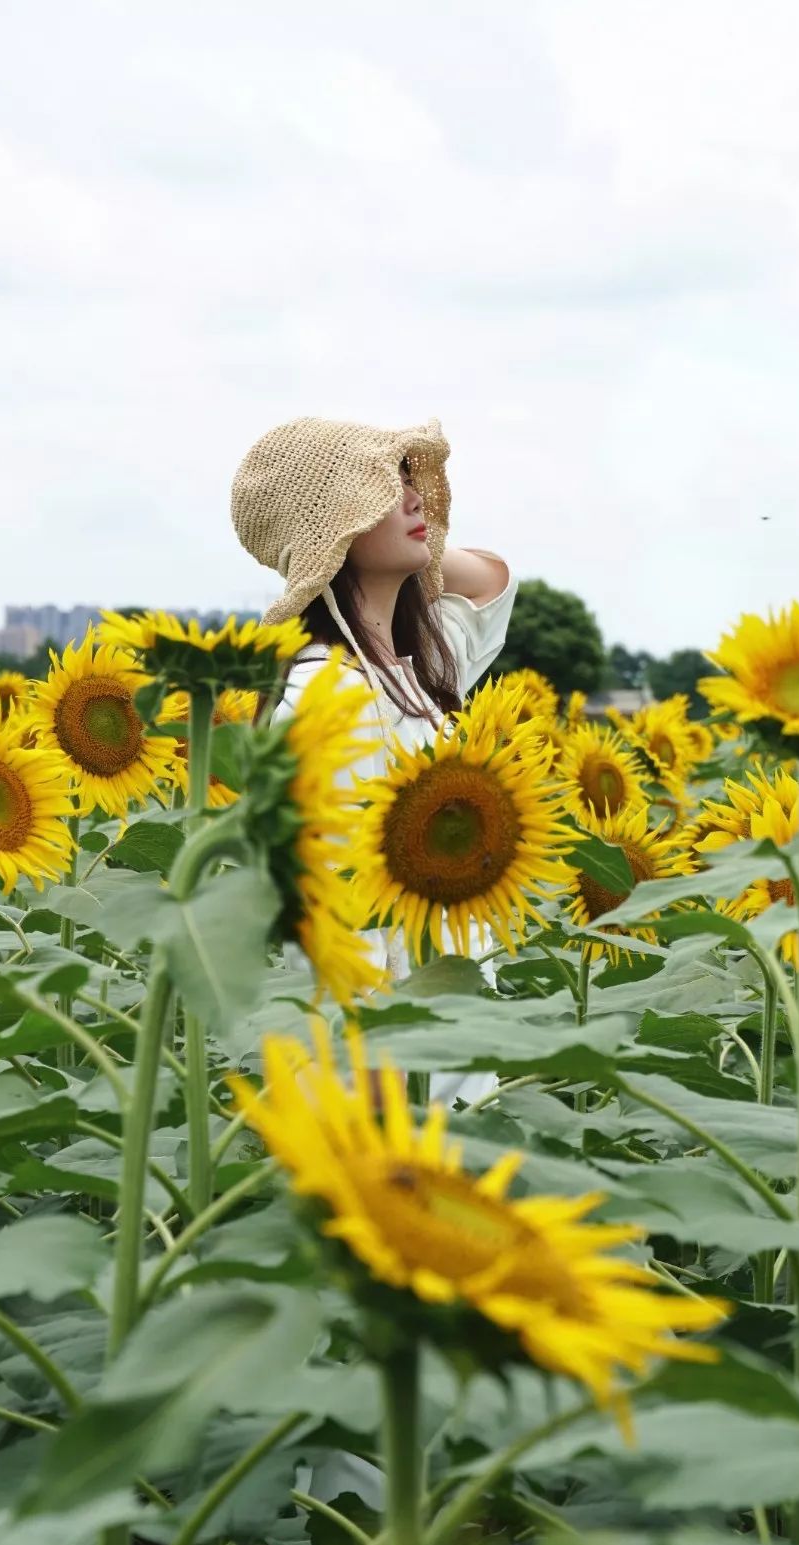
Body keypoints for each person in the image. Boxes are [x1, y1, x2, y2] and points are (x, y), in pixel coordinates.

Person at [231, 415, 516, 1104]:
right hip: (404, 1083)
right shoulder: (327, 697)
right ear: (334, 526)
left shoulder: (414, 667)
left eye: (409, 478)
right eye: (384, 486)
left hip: (451, 1050)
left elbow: (491, 582)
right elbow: (337, 929)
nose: (417, 497)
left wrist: (415, 530)